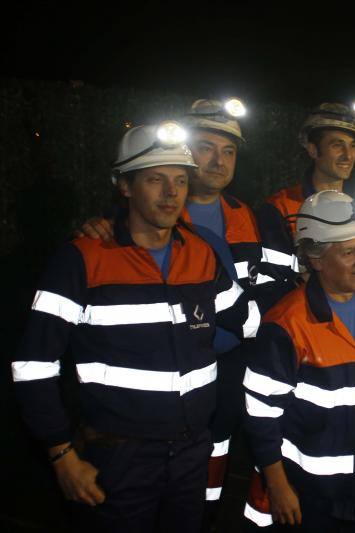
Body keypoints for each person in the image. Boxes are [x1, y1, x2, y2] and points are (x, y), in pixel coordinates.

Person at [12, 122, 247, 532]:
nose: (172, 193)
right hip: (118, 458)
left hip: (192, 452)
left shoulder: (201, 252)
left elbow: (248, 320)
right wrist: (61, 454)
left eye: (179, 179)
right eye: (155, 180)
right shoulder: (82, 259)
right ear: (124, 186)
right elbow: (32, 365)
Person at [77, 99, 286, 521]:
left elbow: (268, 287)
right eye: (207, 148)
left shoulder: (245, 214)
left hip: (230, 361)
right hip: (163, 370)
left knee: (216, 450)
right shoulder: (154, 209)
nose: (219, 160)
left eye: (229, 152)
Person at [242, 190, 355, 531]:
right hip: (315, 488)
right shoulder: (287, 324)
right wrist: (278, 485)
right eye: (349, 252)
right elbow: (260, 414)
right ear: (317, 258)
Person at [256, 103, 355, 279]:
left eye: (352, 146)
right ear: (313, 150)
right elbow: (276, 278)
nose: (348, 155)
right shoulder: (281, 207)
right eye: (337, 145)